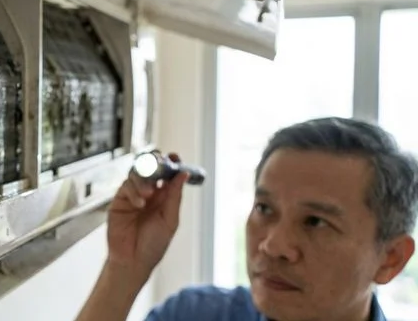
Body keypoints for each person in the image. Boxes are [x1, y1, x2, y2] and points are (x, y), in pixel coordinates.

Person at [76, 117, 418, 321]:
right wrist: (124, 270)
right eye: (265, 209)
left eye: (315, 222)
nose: (273, 246)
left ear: (390, 259)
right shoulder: (197, 316)